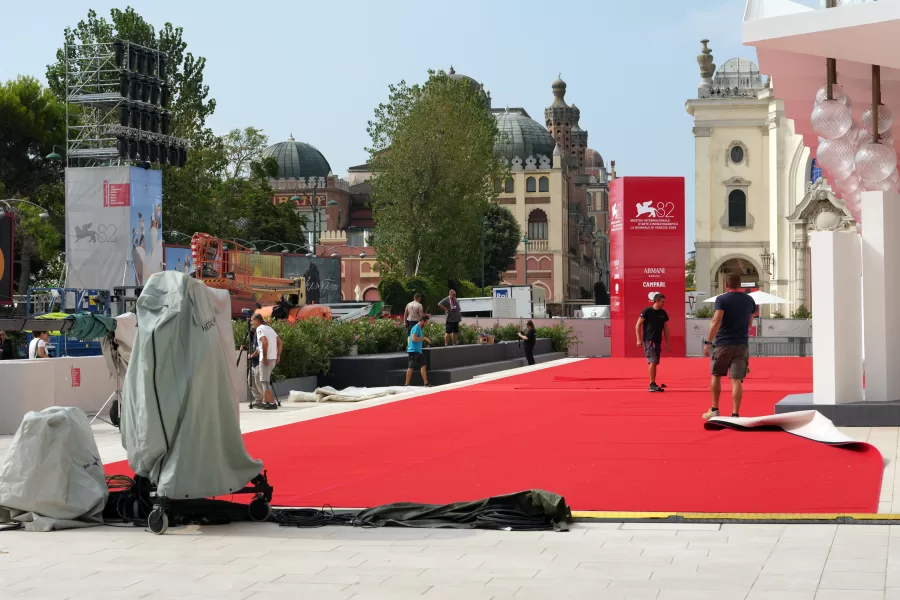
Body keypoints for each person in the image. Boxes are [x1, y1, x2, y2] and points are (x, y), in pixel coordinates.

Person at [702, 273, 757, 419]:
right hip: (741, 343)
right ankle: (735, 414)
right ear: (740, 285)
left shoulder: (722, 299)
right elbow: (750, 323)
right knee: (737, 380)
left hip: (723, 343)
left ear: (726, 285)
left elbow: (716, 320)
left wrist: (708, 342)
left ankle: (715, 409)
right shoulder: (750, 300)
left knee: (716, 375)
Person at [635, 293, 670, 392]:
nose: (664, 304)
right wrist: (638, 339)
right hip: (649, 340)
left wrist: (667, 342)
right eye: (662, 302)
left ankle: (653, 383)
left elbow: (666, 329)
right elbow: (638, 325)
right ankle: (652, 384)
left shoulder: (663, 313)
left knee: (654, 363)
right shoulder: (647, 311)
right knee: (652, 361)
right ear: (657, 301)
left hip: (658, 340)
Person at [251, 315, 282, 409]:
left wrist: (264, 357)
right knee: (266, 380)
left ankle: (271, 403)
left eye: (252, 321)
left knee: (265, 381)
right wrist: (278, 355)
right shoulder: (269, 328)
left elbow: (264, 342)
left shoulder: (259, 329)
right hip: (272, 358)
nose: (251, 323)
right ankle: (265, 401)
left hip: (265, 359)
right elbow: (280, 341)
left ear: (257, 320)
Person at [405, 314, 432, 386]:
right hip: (413, 351)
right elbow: (414, 339)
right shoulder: (416, 327)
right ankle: (406, 384)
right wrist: (424, 338)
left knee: (423, 365)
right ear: (422, 321)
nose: (426, 324)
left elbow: (409, 337)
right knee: (411, 367)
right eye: (426, 322)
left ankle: (426, 383)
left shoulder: (419, 328)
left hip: (418, 351)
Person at [245, 327, 266, 408]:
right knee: (250, 381)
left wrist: (251, 355)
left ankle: (265, 400)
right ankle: (258, 400)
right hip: (253, 363)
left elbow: (258, 349)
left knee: (258, 382)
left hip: (259, 362)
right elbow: (253, 348)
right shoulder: (252, 335)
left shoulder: (259, 333)